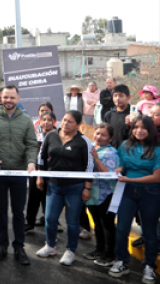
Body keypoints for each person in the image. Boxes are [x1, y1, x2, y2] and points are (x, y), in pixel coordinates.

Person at [0, 85, 38, 265]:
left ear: (18, 99)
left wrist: (31, 162)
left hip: (19, 173)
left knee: (18, 212)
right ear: (0, 98)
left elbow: (31, 144)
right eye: (5, 97)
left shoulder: (26, 120)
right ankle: (2, 244)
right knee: (0, 211)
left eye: (12, 97)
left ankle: (19, 247)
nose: (8, 101)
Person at [35, 111, 93, 266]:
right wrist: (40, 176)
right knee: (50, 218)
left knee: (72, 222)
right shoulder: (51, 136)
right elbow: (41, 157)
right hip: (53, 185)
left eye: (70, 122)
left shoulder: (83, 141)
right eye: (64, 120)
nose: (66, 123)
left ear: (78, 125)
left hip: (75, 187)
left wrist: (87, 187)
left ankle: (71, 251)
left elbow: (89, 166)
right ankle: (50, 246)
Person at [109, 116, 160, 282]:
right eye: (136, 127)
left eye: (143, 127)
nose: (139, 130)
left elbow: (156, 177)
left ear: (150, 130)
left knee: (149, 232)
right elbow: (125, 165)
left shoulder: (158, 149)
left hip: (150, 193)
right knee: (122, 228)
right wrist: (119, 168)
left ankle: (149, 266)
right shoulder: (125, 145)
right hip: (127, 191)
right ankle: (121, 261)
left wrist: (129, 179)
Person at [84, 123, 119, 267]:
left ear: (110, 138)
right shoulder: (92, 147)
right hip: (92, 194)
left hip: (106, 194)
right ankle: (99, 249)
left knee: (107, 224)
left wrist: (97, 160)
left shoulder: (111, 153)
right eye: (97, 133)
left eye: (103, 135)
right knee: (97, 222)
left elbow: (109, 175)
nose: (99, 137)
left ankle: (110, 254)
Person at [25, 111, 58, 232]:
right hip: (36, 169)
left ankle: (52, 225)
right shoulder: (35, 135)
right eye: (44, 120)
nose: (46, 122)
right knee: (33, 197)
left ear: (54, 121)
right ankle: (29, 222)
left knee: (50, 199)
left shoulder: (58, 136)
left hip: (51, 171)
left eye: (49, 120)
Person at [104, 84, 134, 150]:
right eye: (115, 96)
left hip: (129, 150)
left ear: (128, 97)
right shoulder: (109, 115)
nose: (117, 98)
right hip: (112, 151)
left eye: (121, 96)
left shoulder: (133, 114)